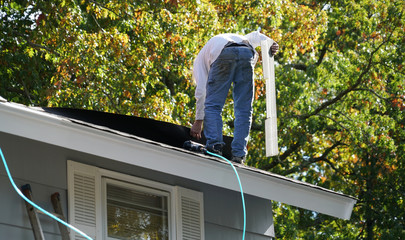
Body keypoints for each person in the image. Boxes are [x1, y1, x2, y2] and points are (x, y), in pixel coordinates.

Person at [190, 30, 279, 164]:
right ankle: (239, 154)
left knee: (213, 105)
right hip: (246, 53)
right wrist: (270, 42)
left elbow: (202, 92)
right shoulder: (239, 37)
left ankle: (215, 146)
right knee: (244, 109)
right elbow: (255, 36)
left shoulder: (198, 63)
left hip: (223, 52)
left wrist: (198, 121)